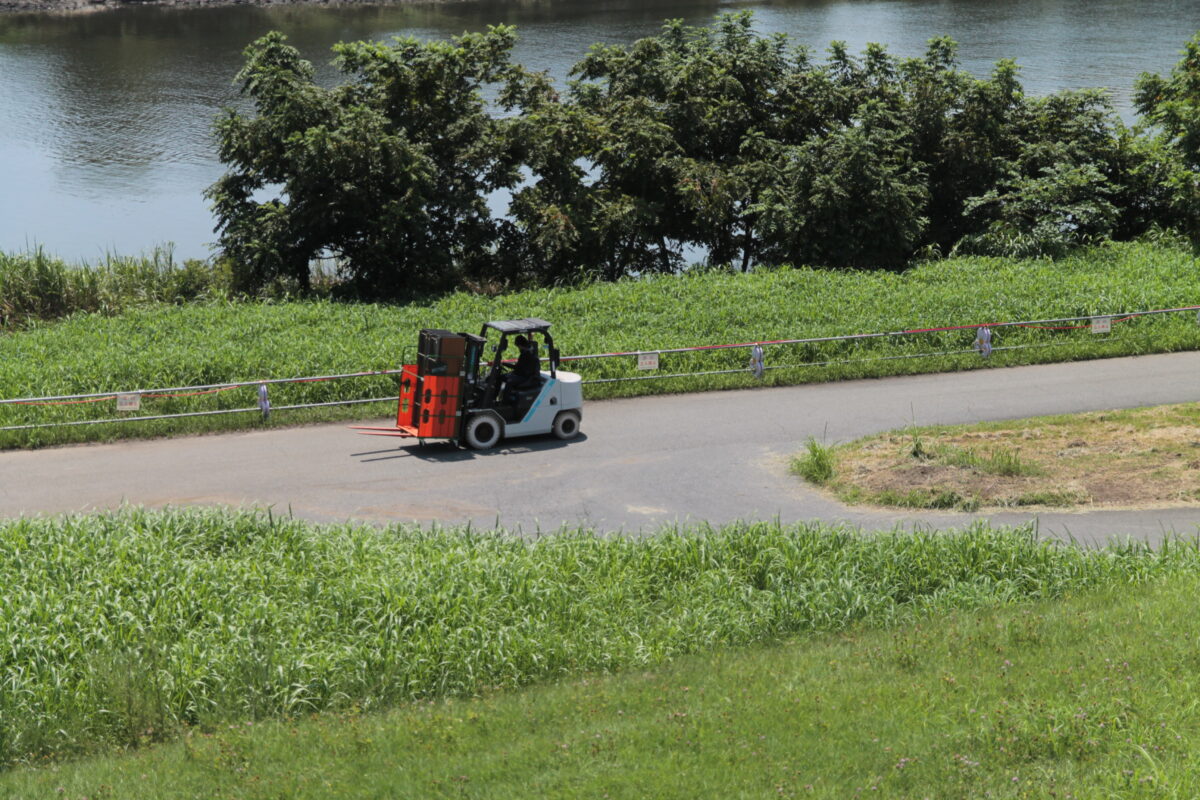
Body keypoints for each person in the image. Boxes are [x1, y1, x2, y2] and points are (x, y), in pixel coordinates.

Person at [505, 334, 541, 403]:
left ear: (521, 345)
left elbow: (518, 368)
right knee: (504, 377)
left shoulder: (527, 354)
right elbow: (519, 367)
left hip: (526, 377)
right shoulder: (525, 353)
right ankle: (505, 398)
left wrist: (507, 365)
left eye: (518, 346)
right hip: (524, 374)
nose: (519, 348)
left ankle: (505, 402)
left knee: (509, 382)